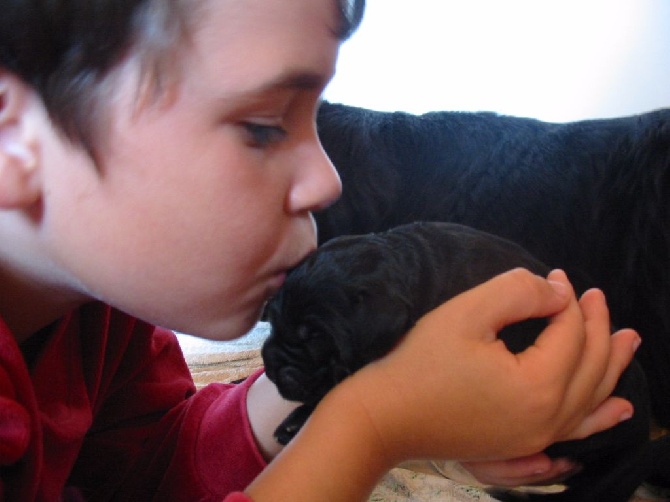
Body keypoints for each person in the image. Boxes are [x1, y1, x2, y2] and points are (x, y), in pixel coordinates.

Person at [0, 0, 641, 500]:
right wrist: (371, 427)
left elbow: (146, 472)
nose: (329, 180)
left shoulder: (101, 319)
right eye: (263, 126)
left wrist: (345, 379)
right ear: (13, 138)